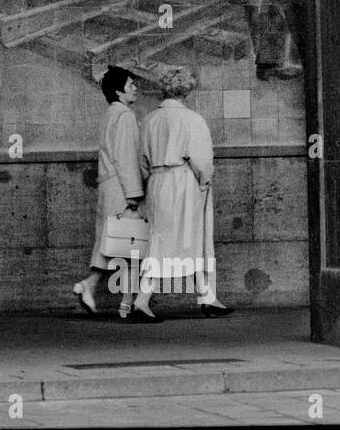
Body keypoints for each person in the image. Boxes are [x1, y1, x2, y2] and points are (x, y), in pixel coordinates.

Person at [135, 67, 234, 320]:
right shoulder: (192, 119)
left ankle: (208, 297)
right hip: (183, 183)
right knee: (186, 241)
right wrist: (204, 182)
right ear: (186, 90)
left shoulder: (149, 120)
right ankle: (141, 301)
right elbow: (202, 160)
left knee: (165, 240)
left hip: (156, 182)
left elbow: (141, 160)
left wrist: (150, 182)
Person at [73, 66, 143, 318]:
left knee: (112, 242)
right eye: (130, 84)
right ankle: (125, 301)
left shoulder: (110, 114)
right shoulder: (125, 116)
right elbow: (126, 158)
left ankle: (95, 289)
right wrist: (133, 194)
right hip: (121, 188)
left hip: (109, 185)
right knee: (132, 244)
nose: (135, 87)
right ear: (118, 91)